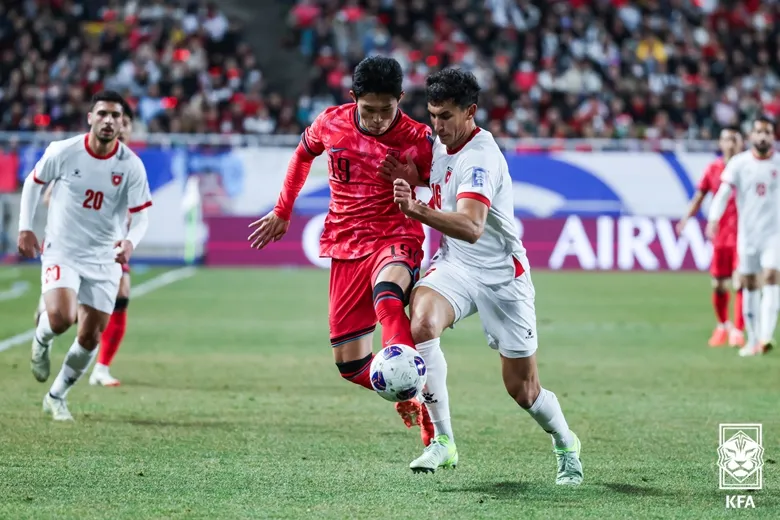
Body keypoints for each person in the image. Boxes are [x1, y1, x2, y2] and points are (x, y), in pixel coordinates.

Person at [389, 68, 583, 485]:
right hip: (456, 265)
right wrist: (412, 178)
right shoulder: (442, 143)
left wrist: (416, 208)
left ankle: (566, 442)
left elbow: (473, 226)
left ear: (470, 112)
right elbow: (434, 177)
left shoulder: (481, 158)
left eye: (445, 117)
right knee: (421, 322)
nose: (437, 126)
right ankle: (442, 441)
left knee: (524, 391)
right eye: (433, 115)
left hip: (501, 277)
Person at [247, 56, 435, 445]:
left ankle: (415, 384)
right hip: (346, 244)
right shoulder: (330, 123)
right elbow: (301, 156)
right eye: (370, 109)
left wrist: (416, 178)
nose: (380, 118)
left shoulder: (418, 138)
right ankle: (405, 391)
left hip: (395, 235)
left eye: (388, 109)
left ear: (401, 98)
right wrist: (283, 210)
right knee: (350, 365)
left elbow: (445, 186)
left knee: (388, 295)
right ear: (353, 98)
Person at [17, 90, 153, 420]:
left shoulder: (131, 166)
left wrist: (131, 241)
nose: (109, 120)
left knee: (90, 336)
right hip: (62, 249)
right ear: (90, 118)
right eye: (102, 113)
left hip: (104, 258)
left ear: (123, 124)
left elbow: (142, 214)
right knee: (62, 318)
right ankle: (41, 340)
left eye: (115, 116)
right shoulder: (64, 151)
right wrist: (25, 228)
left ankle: (56, 395)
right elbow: (34, 183)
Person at [34, 101, 137, 387]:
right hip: (71, 245)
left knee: (122, 294)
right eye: (118, 121)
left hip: (110, 248)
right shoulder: (80, 156)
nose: (121, 127)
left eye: (125, 122)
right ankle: (50, 311)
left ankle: (101, 367)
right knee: (67, 316)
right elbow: (48, 195)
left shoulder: (130, 164)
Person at [708, 115, 780, 357]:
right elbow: (723, 193)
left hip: (774, 234)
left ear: (773, 136)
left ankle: (766, 336)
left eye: (767, 132)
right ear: (751, 136)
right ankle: (752, 339)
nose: (762, 136)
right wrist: (713, 219)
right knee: (748, 284)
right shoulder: (739, 164)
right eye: (758, 132)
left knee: (771, 277)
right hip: (747, 235)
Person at [677, 127, 745, 347]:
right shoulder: (713, 169)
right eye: (727, 139)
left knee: (740, 282)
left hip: (745, 234)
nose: (731, 143)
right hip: (720, 234)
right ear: (721, 143)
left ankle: (738, 330)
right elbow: (699, 196)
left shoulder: (748, 168)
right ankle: (722, 325)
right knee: (718, 284)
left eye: (735, 139)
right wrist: (686, 218)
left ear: (741, 143)